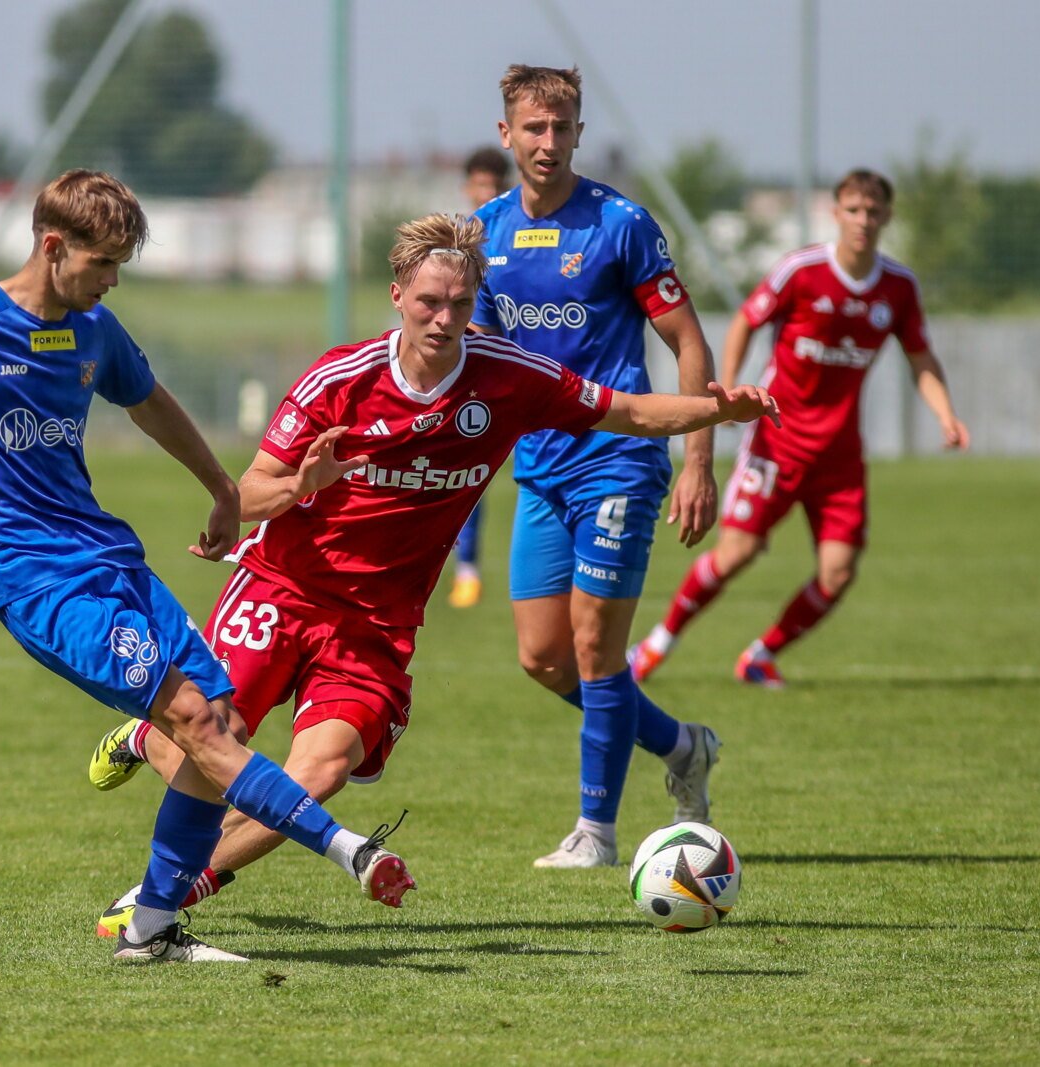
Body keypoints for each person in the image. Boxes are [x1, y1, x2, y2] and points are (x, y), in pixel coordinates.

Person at [88, 212, 779, 935]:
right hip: (282, 588)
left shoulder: (511, 378)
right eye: (428, 302)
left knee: (319, 773)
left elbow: (628, 409)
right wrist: (307, 482)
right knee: (209, 741)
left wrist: (713, 411)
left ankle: (172, 892)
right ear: (397, 297)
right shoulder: (341, 378)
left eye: (459, 303)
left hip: (378, 625)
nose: (444, 318)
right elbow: (245, 491)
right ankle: (148, 741)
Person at [0, 169, 414, 966]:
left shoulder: (93, 330)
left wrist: (219, 487)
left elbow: (149, 400)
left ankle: (152, 930)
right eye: (102, 264)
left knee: (225, 720)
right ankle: (349, 852)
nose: (110, 282)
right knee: (200, 725)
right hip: (38, 580)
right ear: (51, 245)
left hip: (110, 558)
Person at [471, 65, 724, 869]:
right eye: (533, 128)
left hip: (620, 458)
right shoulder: (484, 234)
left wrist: (697, 462)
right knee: (541, 657)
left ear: (579, 132)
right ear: (507, 134)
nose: (549, 142)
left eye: (563, 126)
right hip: (540, 469)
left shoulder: (622, 224)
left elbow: (688, 342)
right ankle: (681, 746)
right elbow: (477, 361)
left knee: (593, 649)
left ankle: (597, 831)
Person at [629, 169, 969, 688]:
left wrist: (945, 414)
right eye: (853, 210)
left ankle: (761, 655)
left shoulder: (898, 288)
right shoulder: (802, 270)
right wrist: (731, 384)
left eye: (873, 212)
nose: (863, 221)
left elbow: (921, 357)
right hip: (777, 441)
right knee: (736, 552)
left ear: (886, 217)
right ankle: (655, 646)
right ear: (836, 213)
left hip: (840, 456)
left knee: (839, 572)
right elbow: (746, 320)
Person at [448, 145, 514, 609]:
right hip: (473, 380)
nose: (486, 192)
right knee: (462, 472)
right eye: (480, 184)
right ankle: (465, 569)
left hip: (520, 376)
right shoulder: (455, 245)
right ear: (469, 188)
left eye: (494, 184)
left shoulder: (517, 236)